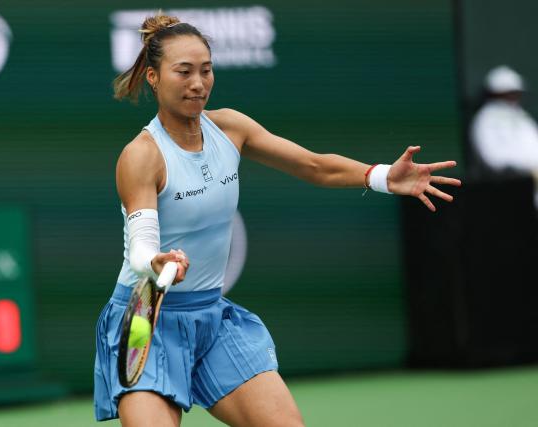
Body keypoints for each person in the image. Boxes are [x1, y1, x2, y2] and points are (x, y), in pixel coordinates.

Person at [94, 13, 461, 427]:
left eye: (206, 70)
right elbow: (141, 244)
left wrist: (380, 176)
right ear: (153, 77)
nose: (198, 83)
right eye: (183, 72)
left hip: (211, 318)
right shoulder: (141, 155)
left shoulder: (230, 128)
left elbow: (313, 165)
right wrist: (156, 262)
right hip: (148, 320)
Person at [471, 65, 538, 181]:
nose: (514, 97)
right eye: (509, 93)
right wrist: (524, 169)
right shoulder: (486, 118)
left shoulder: (522, 116)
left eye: (515, 92)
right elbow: (493, 158)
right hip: (512, 184)